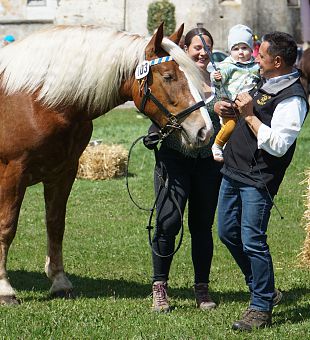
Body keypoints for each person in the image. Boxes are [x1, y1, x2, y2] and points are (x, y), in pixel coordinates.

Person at [215, 31, 309, 331]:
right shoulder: (263, 81)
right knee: (227, 233)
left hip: (258, 180)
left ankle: (260, 307)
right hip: (233, 170)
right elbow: (249, 114)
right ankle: (266, 291)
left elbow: (279, 144)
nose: (256, 57)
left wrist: (250, 116)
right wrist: (234, 110)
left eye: (262, 55)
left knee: (252, 241)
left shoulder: (293, 99)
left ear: (277, 61)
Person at [149, 27, 222, 312]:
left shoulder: (222, 81)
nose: (202, 52)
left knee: (202, 227)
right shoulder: (179, 77)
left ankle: (202, 288)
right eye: (196, 47)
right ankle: (159, 288)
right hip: (175, 159)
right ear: (186, 50)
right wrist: (152, 130)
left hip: (207, 164)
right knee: (167, 223)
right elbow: (162, 106)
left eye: (207, 46)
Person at [210, 24, 260, 162]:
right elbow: (219, 79)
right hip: (230, 104)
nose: (240, 52)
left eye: (244, 48)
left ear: (251, 49)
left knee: (244, 131)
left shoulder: (255, 66)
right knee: (230, 125)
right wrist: (217, 77)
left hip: (248, 105)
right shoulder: (228, 65)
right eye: (236, 49)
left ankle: (234, 150)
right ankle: (217, 145)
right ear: (230, 51)